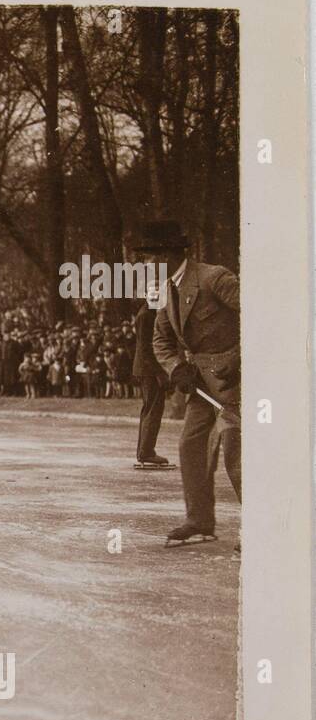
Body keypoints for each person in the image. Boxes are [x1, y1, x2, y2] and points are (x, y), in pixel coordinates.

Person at [146, 221, 241, 550]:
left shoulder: (214, 277)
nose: (146, 263)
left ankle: (262, 525)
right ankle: (199, 522)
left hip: (236, 380)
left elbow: (261, 314)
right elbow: (160, 341)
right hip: (200, 384)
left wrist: (240, 359)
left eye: (150, 256)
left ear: (168, 255)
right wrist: (177, 368)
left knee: (236, 450)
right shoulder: (165, 290)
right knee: (191, 446)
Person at [133, 295, 170, 468]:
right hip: (149, 370)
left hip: (147, 369)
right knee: (153, 409)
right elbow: (146, 348)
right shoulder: (146, 315)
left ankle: (144, 451)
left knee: (150, 409)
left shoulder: (148, 313)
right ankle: (146, 452)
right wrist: (159, 373)